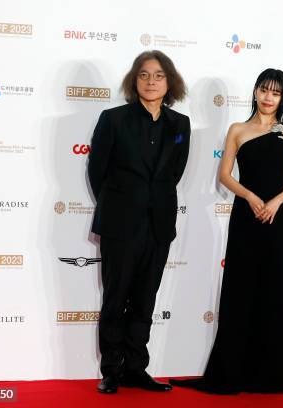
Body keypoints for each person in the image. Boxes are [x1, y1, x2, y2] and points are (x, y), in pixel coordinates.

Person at [170, 68, 283, 394]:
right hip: (245, 216)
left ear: (282, 97)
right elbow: (225, 175)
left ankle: (270, 376)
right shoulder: (238, 130)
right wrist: (250, 196)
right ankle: (231, 372)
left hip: (277, 219)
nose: (268, 97)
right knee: (240, 289)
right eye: (263, 90)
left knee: (273, 291)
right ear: (255, 92)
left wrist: (274, 203)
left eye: (275, 92)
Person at [87, 50, 190, 394]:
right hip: (120, 224)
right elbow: (97, 171)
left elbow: (174, 173)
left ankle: (136, 368)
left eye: (158, 75)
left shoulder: (180, 125)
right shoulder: (112, 119)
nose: (151, 81)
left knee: (146, 298)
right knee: (116, 297)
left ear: (169, 82)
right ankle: (111, 370)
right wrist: (123, 203)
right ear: (135, 80)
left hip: (159, 224)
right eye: (144, 75)